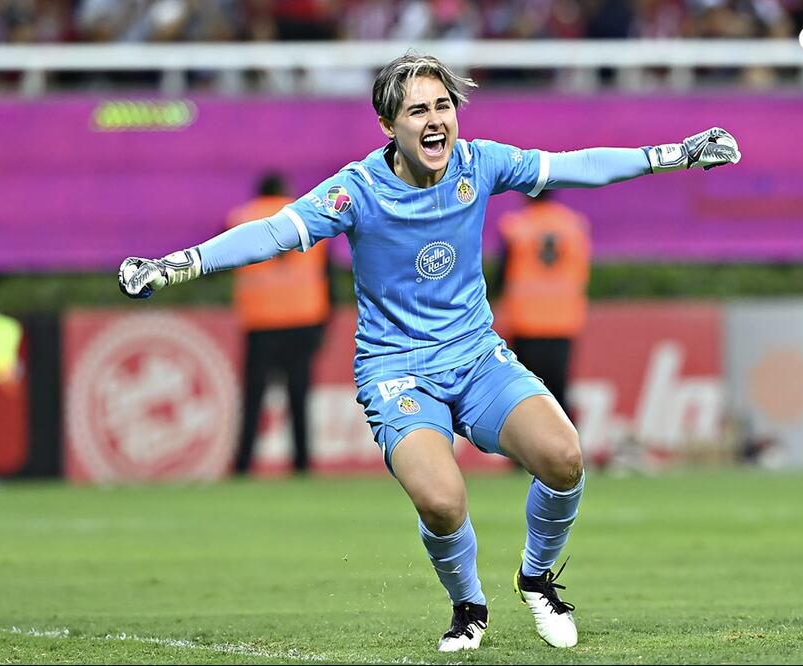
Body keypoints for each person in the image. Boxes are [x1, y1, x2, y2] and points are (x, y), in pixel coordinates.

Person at [117, 52, 741, 651]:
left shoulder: (481, 163)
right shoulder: (356, 190)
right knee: (443, 502)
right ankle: (469, 608)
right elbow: (276, 231)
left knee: (564, 457)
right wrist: (179, 264)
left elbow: (575, 166)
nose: (435, 119)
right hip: (396, 374)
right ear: (388, 125)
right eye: (417, 111)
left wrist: (674, 155)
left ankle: (537, 581)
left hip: (475, 356)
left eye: (443, 105)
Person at [226, 171, 333, 476]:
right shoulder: (308, 214)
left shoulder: (241, 217)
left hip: (261, 322)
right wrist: (324, 324)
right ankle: (301, 464)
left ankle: (243, 465)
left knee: (253, 398)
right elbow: (324, 275)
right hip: (303, 319)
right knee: (298, 397)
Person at [492, 189, 590, 421]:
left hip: (525, 320)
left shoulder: (516, 227)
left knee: (525, 390)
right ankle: (565, 448)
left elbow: (502, 275)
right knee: (559, 388)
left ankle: (525, 452)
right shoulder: (573, 225)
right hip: (564, 319)